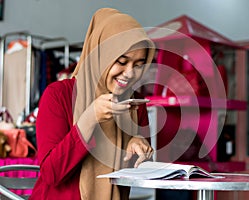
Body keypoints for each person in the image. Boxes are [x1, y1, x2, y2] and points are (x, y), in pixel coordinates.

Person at [30, 8, 155, 200]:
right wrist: (90, 119)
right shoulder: (59, 96)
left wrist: (139, 149)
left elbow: (130, 178)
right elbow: (51, 174)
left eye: (139, 65)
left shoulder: (134, 105)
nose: (130, 73)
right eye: (122, 61)